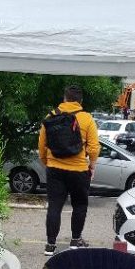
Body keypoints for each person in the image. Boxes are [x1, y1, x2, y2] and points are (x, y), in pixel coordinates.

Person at [38, 84, 100, 255]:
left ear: (64, 98)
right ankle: (75, 241)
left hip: (55, 169)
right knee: (79, 205)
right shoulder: (87, 118)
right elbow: (94, 147)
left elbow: (42, 146)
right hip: (79, 170)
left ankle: (50, 245)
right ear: (80, 101)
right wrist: (92, 166)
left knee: (54, 206)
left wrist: (47, 162)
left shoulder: (50, 116)